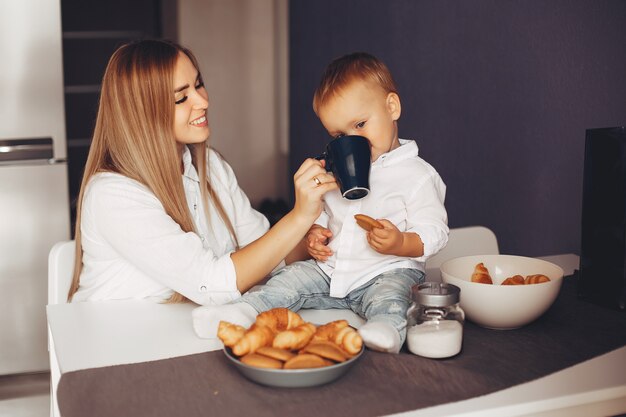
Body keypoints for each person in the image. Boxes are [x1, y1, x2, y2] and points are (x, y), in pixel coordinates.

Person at [193, 52, 449, 353]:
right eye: (340, 135)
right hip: (332, 271)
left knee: (394, 296)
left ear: (391, 107)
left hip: (386, 272)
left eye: (361, 124)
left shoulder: (417, 175)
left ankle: (386, 329)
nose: (352, 140)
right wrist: (316, 234)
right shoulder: (337, 170)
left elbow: (436, 231)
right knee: (288, 280)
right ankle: (240, 313)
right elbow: (328, 214)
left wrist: (401, 242)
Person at [67, 39, 337, 304]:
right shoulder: (113, 195)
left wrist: (319, 236)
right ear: (143, 114)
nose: (203, 101)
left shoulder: (209, 164)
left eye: (198, 85)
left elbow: (266, 255)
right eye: (181, 97)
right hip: (119, 341)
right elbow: (211, 285)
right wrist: (299, 216)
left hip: (183, 333)